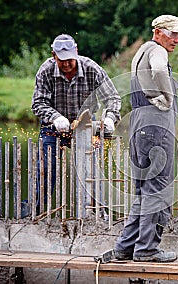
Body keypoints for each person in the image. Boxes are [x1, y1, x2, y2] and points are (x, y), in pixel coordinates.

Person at [114, 15, 178, 262]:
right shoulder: (157, 52)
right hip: (156, 129)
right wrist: (166, 97)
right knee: (157, 190)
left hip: (138, 126)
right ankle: (147, 249)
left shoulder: (141, 51)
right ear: (157, 32)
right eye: (172, 34)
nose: (176, 39)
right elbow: (158, 70)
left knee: (144, 191)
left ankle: (125, 247)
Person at [31, 34, 121, 214]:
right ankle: (38, 212)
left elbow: (112, 97)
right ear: (53, 55)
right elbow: (38, 103)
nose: (66, 64)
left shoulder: (91, 69)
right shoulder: (46, 71)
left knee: (91, 173)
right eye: (61, 60)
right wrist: (55, 117)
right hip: (54, 128)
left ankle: (95, 214)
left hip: (86, 127)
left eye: (69, 60)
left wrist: (111, 117)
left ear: (76, 52)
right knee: (47, 171)